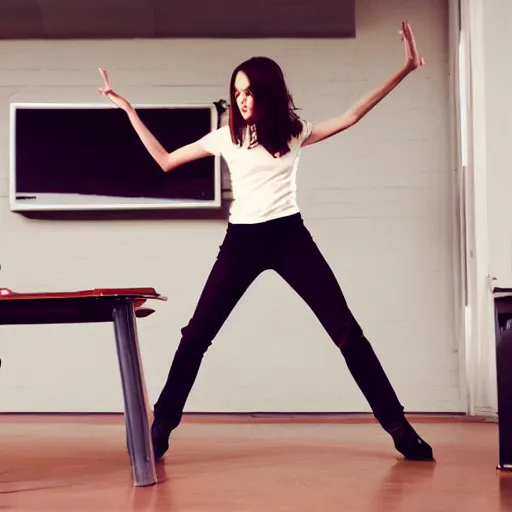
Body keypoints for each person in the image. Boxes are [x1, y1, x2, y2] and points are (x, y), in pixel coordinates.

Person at [98, 20, 433, 463]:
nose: (241, 99)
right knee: (196, 336)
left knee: (347, 332)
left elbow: (352, 115)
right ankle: (158, 431)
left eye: (249, 92)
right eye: (236, 92)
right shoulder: (225, 137)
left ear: (268, 93)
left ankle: (400, 429)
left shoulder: (293, 132)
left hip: (291, 238)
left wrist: (405, 68)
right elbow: (164, 161)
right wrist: (127, 108)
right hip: (241, 244)